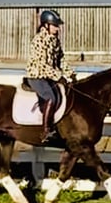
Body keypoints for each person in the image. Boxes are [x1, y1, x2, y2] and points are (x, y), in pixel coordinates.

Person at [25, 9, 76, 142]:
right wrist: (58, 76)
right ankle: (46, 131)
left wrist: (70, 74)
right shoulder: (39, 40)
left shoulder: (55, 41)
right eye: (55, 25)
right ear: (46, 25)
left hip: (49, 77)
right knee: (51, 97)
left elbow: (61, 60)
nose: (58, 29)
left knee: (63, 94)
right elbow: (42, 64)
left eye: (57, 26)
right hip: (37, 76)